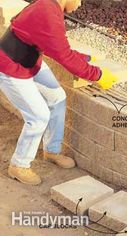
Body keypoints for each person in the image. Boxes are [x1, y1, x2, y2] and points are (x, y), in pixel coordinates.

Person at [0, 0, 117, 185]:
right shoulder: (47, 12)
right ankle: (19, 165)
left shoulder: (51, 8)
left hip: (29, 62)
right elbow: (64, 56)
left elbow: (57, 46)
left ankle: (52, 150)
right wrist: (98, 75)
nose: (79, 4)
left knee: (58, 97)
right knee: (38, 117)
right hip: (10, 67)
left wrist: (85, 58)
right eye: (79, 0)